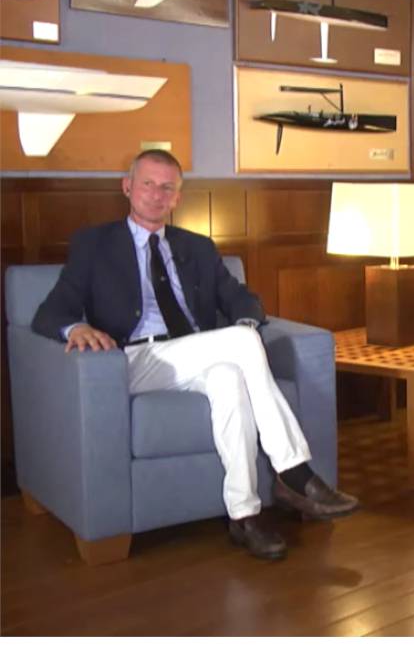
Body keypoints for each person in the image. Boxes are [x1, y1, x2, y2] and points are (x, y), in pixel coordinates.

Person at [31, 150, 360, 561]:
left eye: (167, 187)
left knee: (229, 378)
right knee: (241, 344)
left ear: (177, 197)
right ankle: (294, 472)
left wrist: (244, 327)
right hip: (133, 361)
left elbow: (242, 299)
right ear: (127, 187)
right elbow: (49, 313)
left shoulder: (198, 247)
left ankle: (244, 515)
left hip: (194, 356)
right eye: (148, 184)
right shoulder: (94, 243)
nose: (157, 194)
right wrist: (76, 328)